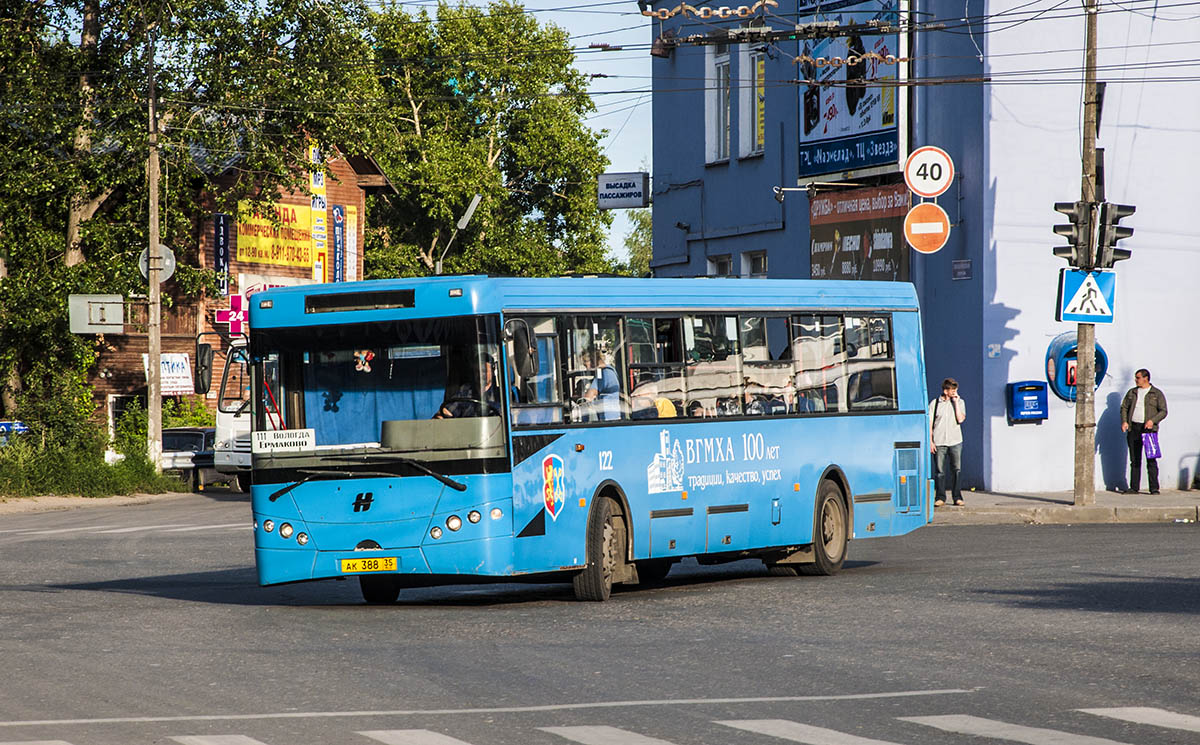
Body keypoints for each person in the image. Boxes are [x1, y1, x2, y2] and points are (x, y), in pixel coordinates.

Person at [1119, 368, 1167, 494]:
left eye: (1138, 377)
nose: (1136, 380)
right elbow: (1124, 407)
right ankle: (1134, 487)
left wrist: (1153, 420)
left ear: (1146, 378)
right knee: (1135, 459)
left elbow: (1163, 411)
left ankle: (1154, 488)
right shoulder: (1132, 393)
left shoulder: (1156, 394)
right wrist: (1124, 421)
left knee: (1151, 458)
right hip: (1134, 428)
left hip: (1148, 430)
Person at [929, 377, 966, 506]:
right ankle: (940, 497)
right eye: (952, 389)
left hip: (955, 441)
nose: (954, 392)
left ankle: (957, 497)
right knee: (940, 471)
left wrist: (955, 402)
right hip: (939, 441)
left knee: (957, 470)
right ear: (945, 391)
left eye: (955, 389)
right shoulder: (935, 403)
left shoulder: (960, 402)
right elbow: (929, 424)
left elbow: (960, 419)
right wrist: (931, 441)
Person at [435, 353, 500, 418]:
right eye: (477, 371)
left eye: (484, 371)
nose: (480, 375)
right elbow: (448, 411)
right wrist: (441, 416)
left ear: (492, 371)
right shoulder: (465, 390)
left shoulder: (500, 394)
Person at [582, 345, 621, 420]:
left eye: (585, 364)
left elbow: (589, 397)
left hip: (609, 418)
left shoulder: (604, 373)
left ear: (592, 360)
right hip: (612, 415)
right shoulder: (610, 369)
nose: (586, 368)